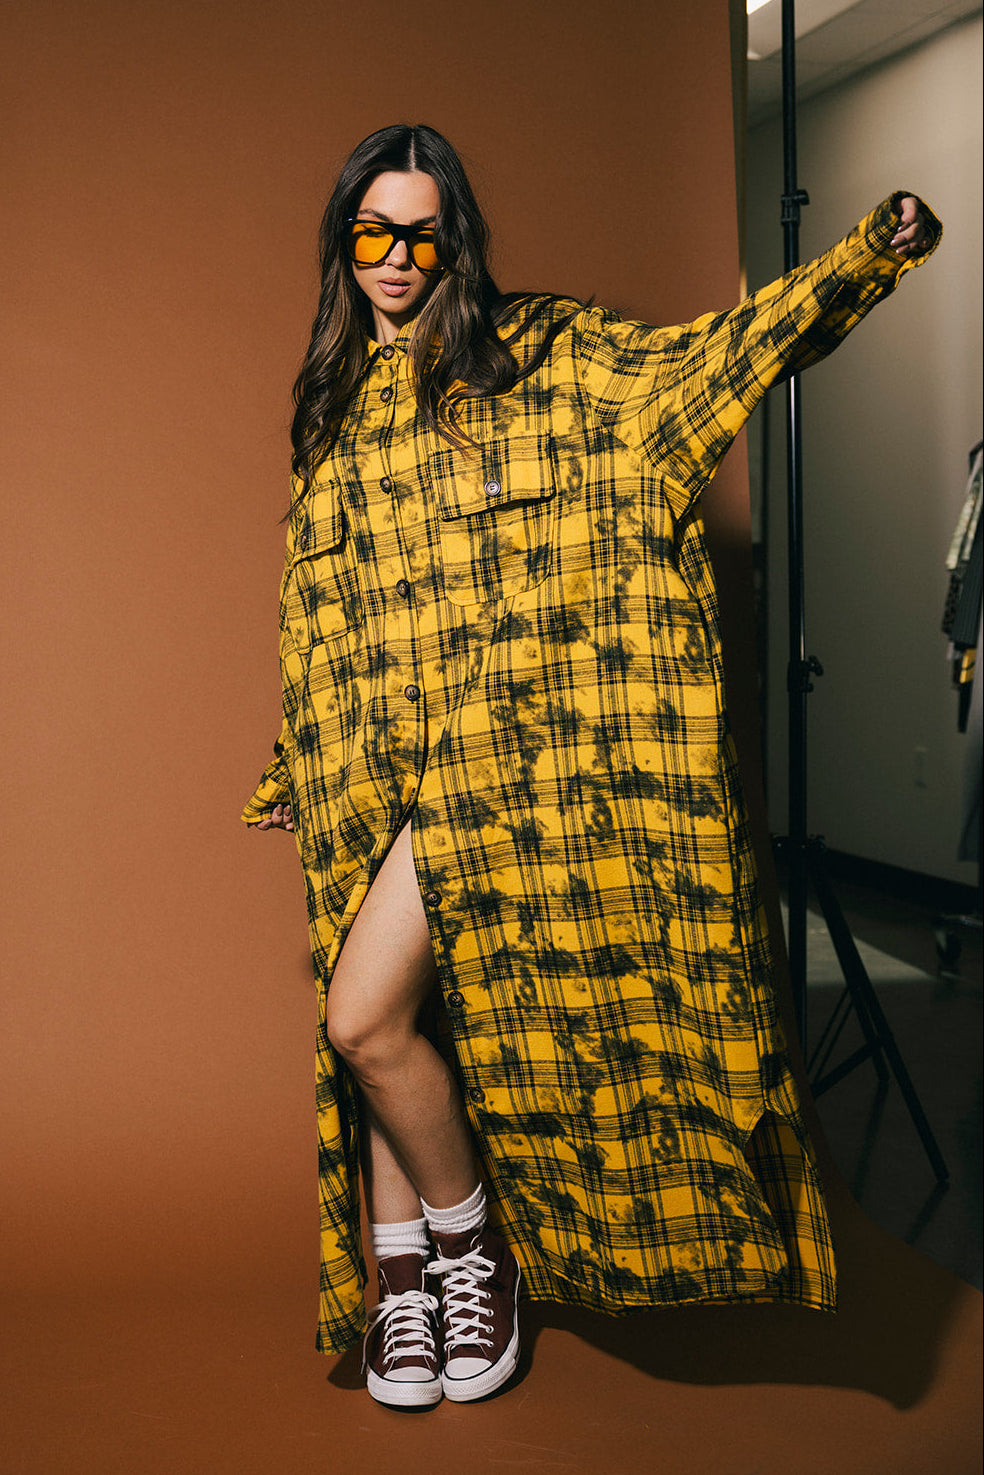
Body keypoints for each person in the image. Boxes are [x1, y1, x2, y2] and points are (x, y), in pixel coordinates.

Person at [243, 123, 937, 1409]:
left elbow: (705, 363)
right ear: (345, 240)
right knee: (390, 1023)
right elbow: (311, 596)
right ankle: (407, 1290)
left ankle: (474, 1248)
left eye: (421, 233)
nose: (397, 258)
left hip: (508, 762)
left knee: (362, 1014)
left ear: (455, 238)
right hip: (365, 768)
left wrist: (855, 261)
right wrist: (297, 759)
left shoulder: (543, 356)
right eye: (371, 232)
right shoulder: (331, 398)